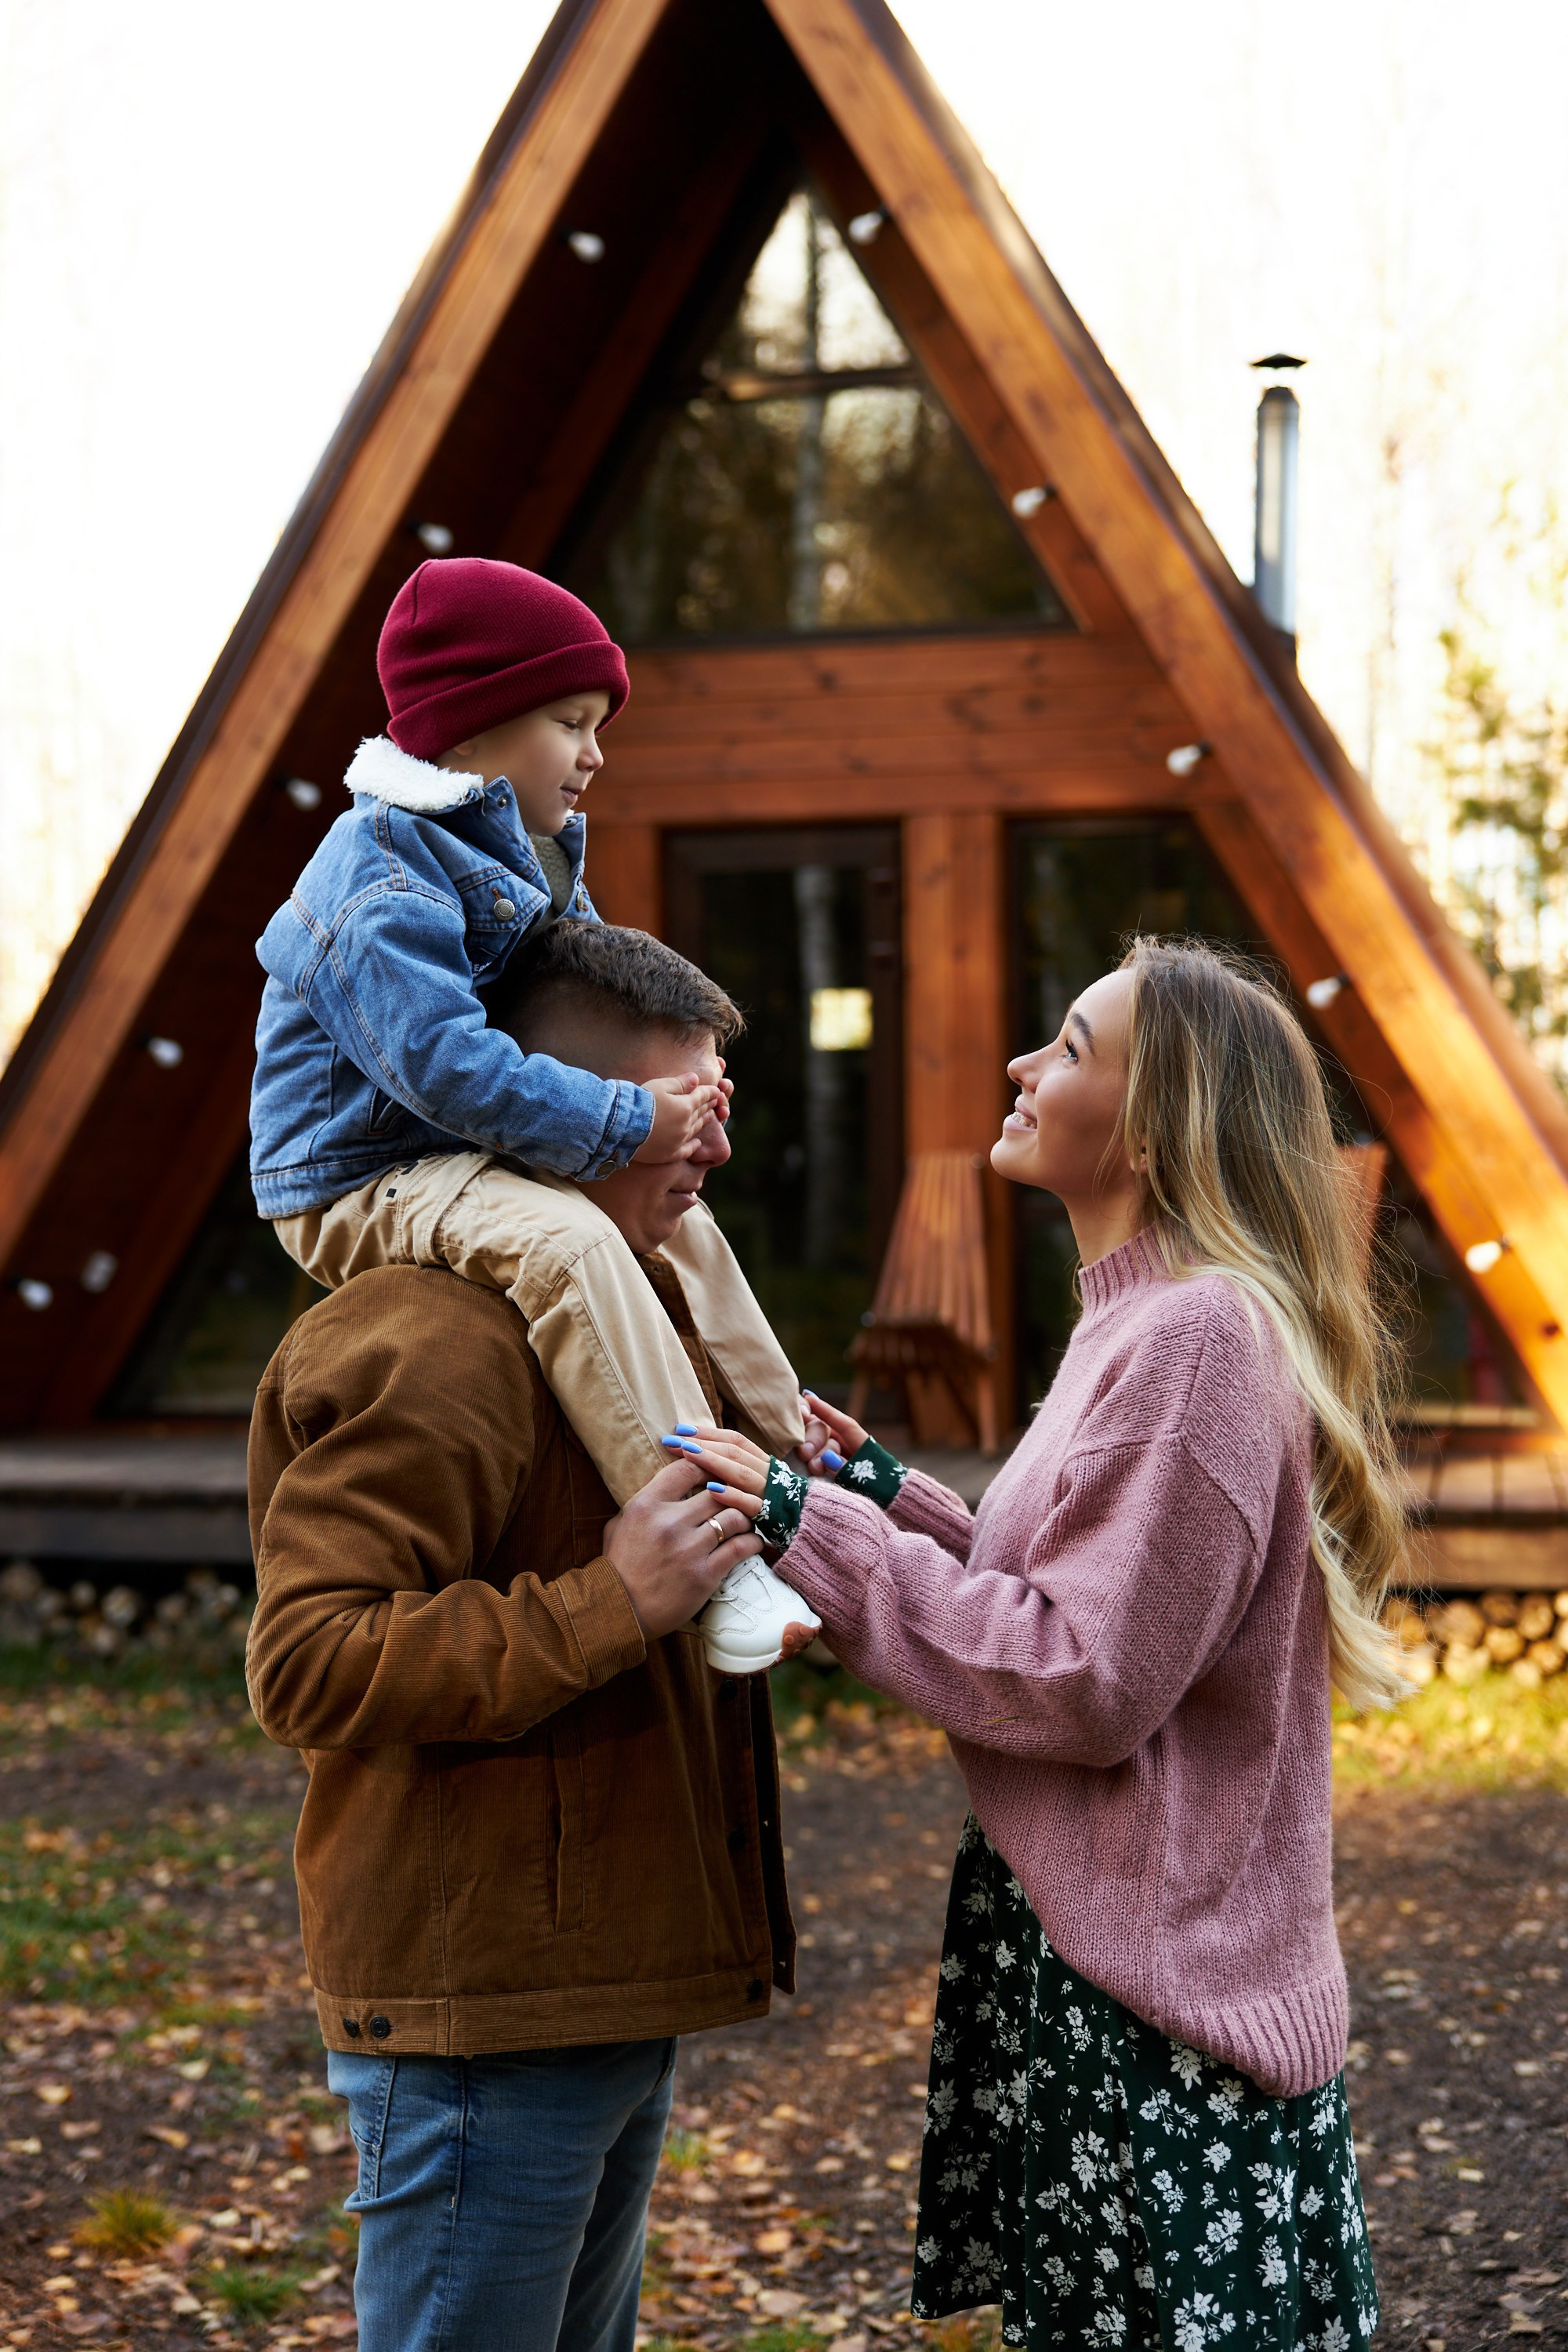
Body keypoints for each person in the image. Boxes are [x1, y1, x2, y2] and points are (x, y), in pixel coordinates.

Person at [674, 936, 1404, 2350]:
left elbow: (1083, 1677)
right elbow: (1088, 1587)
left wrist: (803, 1528)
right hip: (1103, 1947)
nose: (1021, 1065)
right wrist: (896, 1506)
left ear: (1155, 1120)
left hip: (1151, 2009)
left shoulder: (1193, 1340)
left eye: (1069, 1046)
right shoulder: (1139, 1320)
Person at [246, 922, 800, 2352]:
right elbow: (306, 1661)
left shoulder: (630, 1304)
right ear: (550, 1113)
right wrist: (614, 1599)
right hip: (479, 2025)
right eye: (678, 1114)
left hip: (600, 1987)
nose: (713, 1154)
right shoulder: (430, 1340)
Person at [248, 554, 816, 1670]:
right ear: (468, 732)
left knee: (687, 1230)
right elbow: (447, 1069)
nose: (597, 751)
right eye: (570, 720)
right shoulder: (377, 879)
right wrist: (625, 1119)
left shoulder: (526, 858)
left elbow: (585, 1001)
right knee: (566, 1242)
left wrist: (674, 1089)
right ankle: (713, 1556)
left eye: (598, 723)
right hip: (361, 1175)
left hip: (463, 1153)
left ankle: (795, 1466)